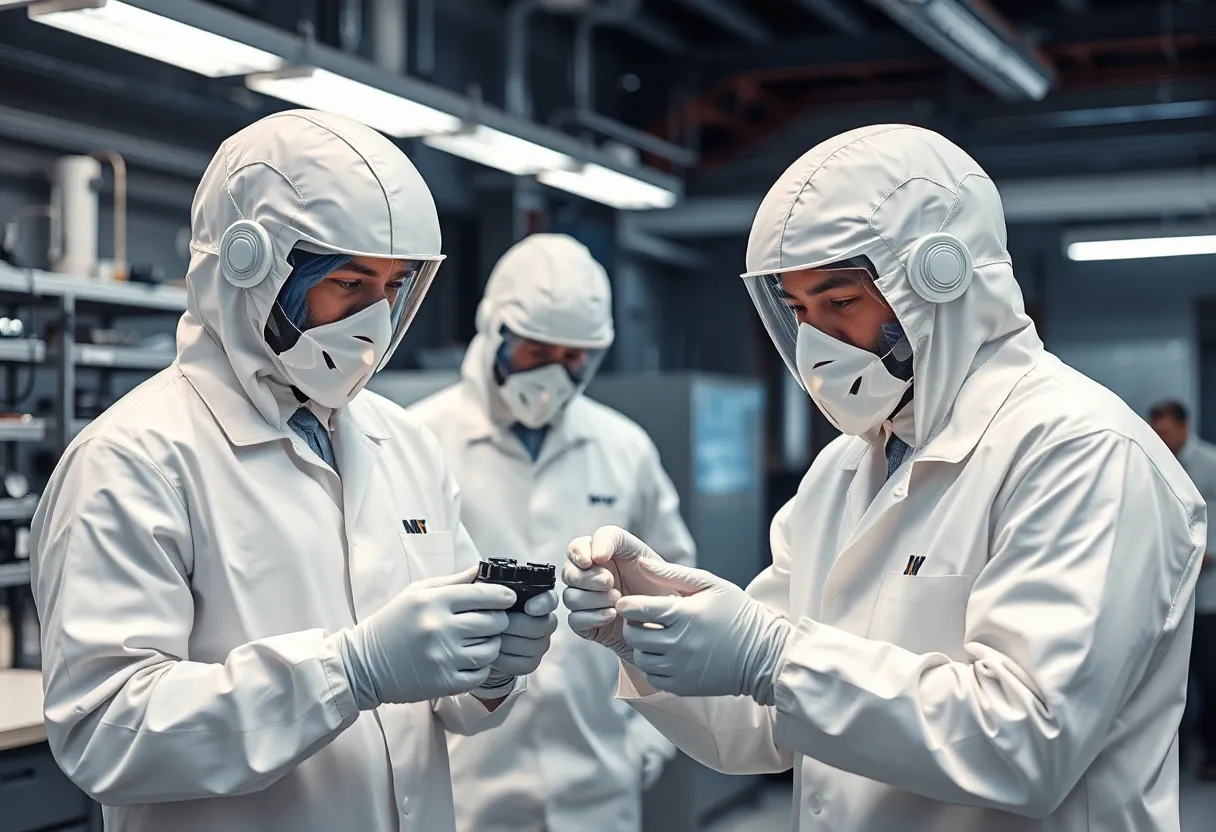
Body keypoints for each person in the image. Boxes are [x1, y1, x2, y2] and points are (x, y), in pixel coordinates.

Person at [562, 124, 1206, 830]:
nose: (815, 346)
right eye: (800, 311)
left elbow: (1026, 743)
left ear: (941, 280)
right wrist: (651, 634)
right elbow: (756, 727)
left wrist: (770, 654)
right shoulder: (846, 469)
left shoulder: (1082, 452)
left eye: (840, 304)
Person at [29, 110, 558, 832]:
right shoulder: (131, 460)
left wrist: (492, 668)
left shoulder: (402, 443)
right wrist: (351, 672)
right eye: (348, 283)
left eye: (394, 285)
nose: (375, 319)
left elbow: (445, 704)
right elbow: (106, 733)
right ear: (252, 271)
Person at [409, 233, 695, 832]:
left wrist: (648, 743)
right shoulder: (418, 442)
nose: (555, 374)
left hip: (599, 782)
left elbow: (676, 603)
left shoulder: (624, 449)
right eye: (538, 351)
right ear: (495, 330)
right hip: (466, 786)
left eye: (575, 359)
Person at [1150, 399, 1216, 780]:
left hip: (1208, 595)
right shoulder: (1156, 466)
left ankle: (1210, 752)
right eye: (1155, 430)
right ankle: (1174, 754)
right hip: (1170, 594)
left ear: (1183, 427)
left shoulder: (1209, 463)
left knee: (1210, 676)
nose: (1159, 437)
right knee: (1170, 677)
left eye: (1164, 430)